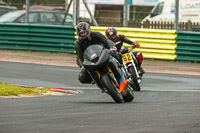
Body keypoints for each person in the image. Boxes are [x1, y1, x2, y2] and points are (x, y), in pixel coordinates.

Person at [74, 22, 127, 93]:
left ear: (88, 31)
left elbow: (106, 41)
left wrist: (111, 48)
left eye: (84, 33)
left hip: (102, 53)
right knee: (82, 77)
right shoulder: (78, 43)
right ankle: (101, 86)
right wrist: (82, 66)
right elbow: (79, 57)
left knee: (116, 54)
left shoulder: (96, 35)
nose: (83, 35)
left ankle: (122, 69)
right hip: (90, 59)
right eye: (81, 33)